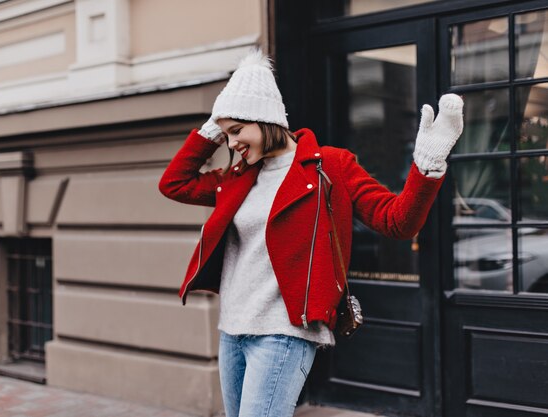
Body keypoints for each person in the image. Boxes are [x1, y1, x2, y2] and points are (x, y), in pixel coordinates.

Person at [158, 49, 463, 417]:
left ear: (264, 118)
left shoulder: (330, 165)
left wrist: (426, 166)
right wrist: (214, 127)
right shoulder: (238, 178)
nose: (232, 144)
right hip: (232, 330)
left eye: (237, 131)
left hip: (284, 333)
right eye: (226, 136)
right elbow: (174, 184)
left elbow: (396, 221)